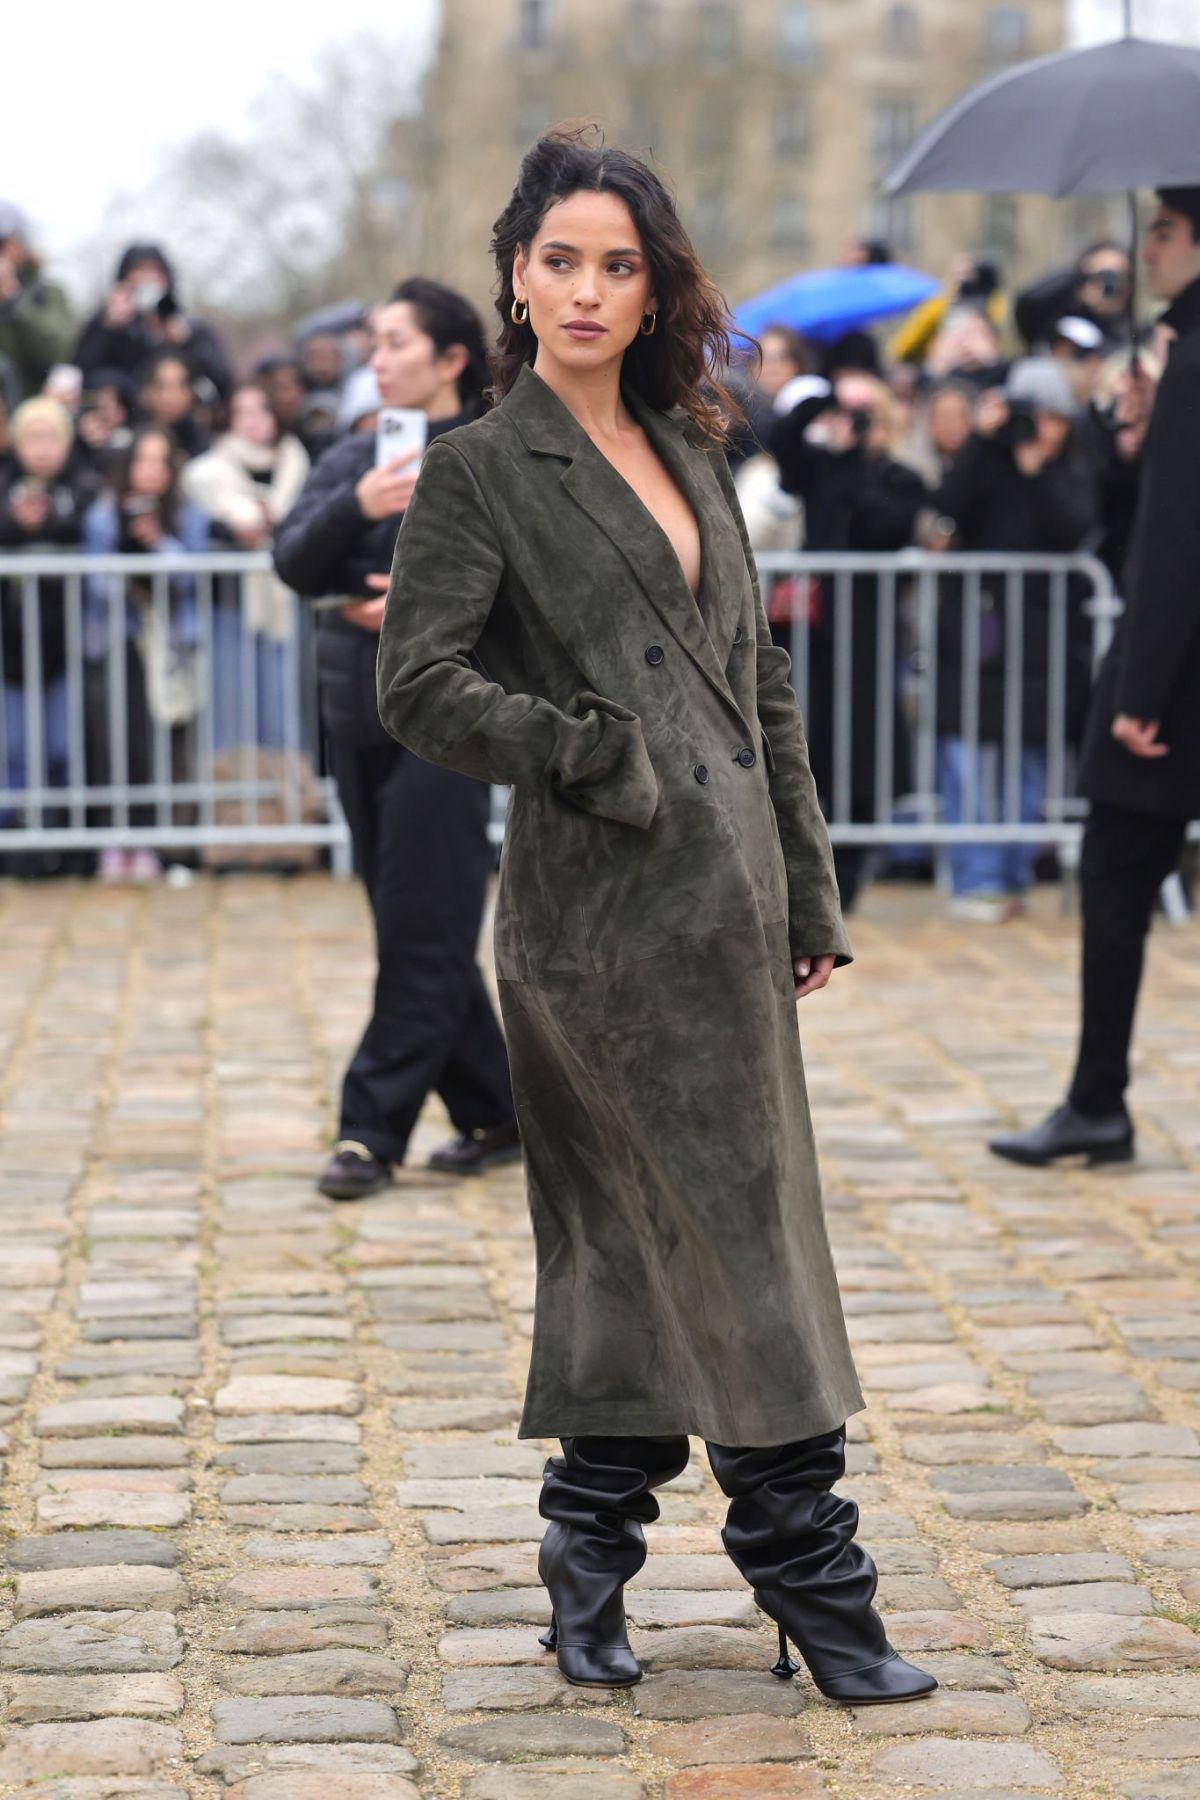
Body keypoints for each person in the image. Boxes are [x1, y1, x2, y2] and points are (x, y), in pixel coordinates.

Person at [376, 128, 936, 1707]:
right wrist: (584, 748)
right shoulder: (482, 466)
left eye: (619, 264)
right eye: (560, 259)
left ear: (655, 287)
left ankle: (586, 1554)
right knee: (738, 1245)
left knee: (639, 1246)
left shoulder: (695, 448)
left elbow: (761, 684)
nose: (586, 289)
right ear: (515, 271)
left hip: (733, 906)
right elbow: (415, 685)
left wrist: (807, 883)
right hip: (594, 928)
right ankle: (816, 1579)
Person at [274, 277, 518, 1197]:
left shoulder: (496, 453)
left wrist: (423, 608)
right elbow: (295, 558)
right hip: (356, 718)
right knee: (419, 924)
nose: (375, 358)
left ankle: (368, 1131)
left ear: (451, 359)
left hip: (447, 722)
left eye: (396, 342)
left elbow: (523, 584)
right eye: (374, 341)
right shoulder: (356, 454)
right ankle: (499, 1110)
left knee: (421, 932)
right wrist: (361, 507)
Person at [991, 188, 1200, 1166]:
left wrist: (1141, 696)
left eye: (1162, 232)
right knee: (1118, 872)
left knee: (1115, 875)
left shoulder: (1194, 357)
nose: (1145, 248)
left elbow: (1172, 551)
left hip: (1174, 685)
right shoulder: (1177, 361)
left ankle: (1097, 1099)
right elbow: (1137, 517)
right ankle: (1094, 1097)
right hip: (1173, 673)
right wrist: (1133, 439)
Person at [933, 359, 1098, 922]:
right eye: (1032, 416)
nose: (1040, 429)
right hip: (975, 636)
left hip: (1038, 643)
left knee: (1026, 763)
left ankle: (1012, 876)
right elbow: (950, 506)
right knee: (970, 757)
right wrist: (981, 439)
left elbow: (1076, 527)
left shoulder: (1069, 466)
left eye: (1052, 418)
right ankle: (976, 879)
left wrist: (1038, 470)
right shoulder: (987, 459)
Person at [768, 368, 928, 912]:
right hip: (813, 637)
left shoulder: (901, 478)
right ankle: (811, 871)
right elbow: (782, 441)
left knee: (864, 752)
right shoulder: (819, 468)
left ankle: (851, 876)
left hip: (869, 636)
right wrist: (822, 404)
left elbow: (885, 526)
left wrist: (857, 451)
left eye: (866, 412)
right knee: (808, 747)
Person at [82, 427, 208, 884]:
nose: (151, 471)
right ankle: (117, 840)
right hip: (118, 639)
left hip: (172, 644)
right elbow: (99, 585)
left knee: (167, 742)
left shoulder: (186, 514)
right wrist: (129, 551)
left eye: (160, 462)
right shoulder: (102, 515)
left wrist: (156, 542)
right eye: (142, 460)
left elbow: (192, 576)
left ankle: (161, 841)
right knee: (117, 739)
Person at [0, 398, 93, 832]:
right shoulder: (4, 485)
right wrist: (16, 525)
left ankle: (64, 835)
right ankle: (18, 840)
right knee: (14, 745)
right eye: (32, 437)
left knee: (62, 745)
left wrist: (50, 522)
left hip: (67, 641)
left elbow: (88, 534)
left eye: (50, 436)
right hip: (11, 644)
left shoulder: (84, 486)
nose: (41, 448)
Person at [74, 243, 232, 401]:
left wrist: (185, 342)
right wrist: (107, 327)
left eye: (154, 271)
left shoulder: (191, 330)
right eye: (138, 271)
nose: (147, 279)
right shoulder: (106, 326)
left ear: (167, 279)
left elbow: (224, 384)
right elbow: (77, 375)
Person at [0, 201, 74, 406]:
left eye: (1, 244)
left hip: (31, 419)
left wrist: (13, 302)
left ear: (20, 245)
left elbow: (60, 351)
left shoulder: (46, 293)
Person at [1015, 240, 1132, 352]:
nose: (1110, 284)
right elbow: (1029, 303)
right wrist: (1080, 277)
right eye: (1103, 276)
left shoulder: (1132, 326)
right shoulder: (1065, 313)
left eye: (1120, 276)